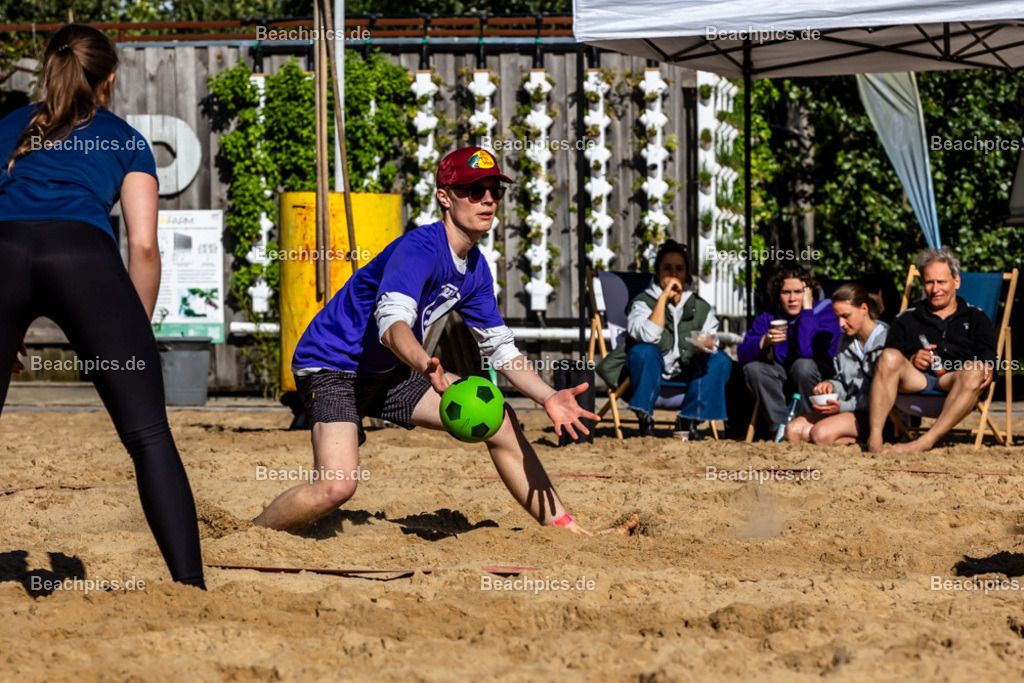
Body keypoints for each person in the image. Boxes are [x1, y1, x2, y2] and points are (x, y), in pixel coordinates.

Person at [254, 146, 635, 537]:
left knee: (500, 419)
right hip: (334, 366)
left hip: (388, 371)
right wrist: (424, 363)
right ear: (444, 197)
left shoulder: (476, 268)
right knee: (336, 486)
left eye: (494, 190)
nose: (487, 198)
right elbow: (392, 326)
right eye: (474, 190)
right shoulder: (418, 249)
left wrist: (548, 397)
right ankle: (249, 536)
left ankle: (568, 531)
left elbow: (501, 349)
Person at [0, 25, 204, 588]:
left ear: (47, 68)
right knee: (147, 435)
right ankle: (190, 587)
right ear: (109, 77)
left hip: (4, 252)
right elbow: (142, 245)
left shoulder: (6, 129)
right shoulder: (124, 137)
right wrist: (129, 333)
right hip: (80, 257)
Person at [595, 240, 731, 439]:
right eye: (667, 269)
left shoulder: (700, 307)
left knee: (720, 359)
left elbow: (709, 340)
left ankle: (688, 420)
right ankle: (645, 417)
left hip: (686, 375)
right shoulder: (642, 302)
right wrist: (663, 299)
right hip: (643, 376)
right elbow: (648, 336)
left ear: (686, 274)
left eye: (679, 269)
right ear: (657, 273)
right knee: (644, 351)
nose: (674, 274)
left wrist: (705, 346)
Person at [867, 248, 996, 453]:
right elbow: (889, 361)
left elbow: (988, 354)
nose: (935, 289)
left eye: (941, 282)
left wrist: (986, 367)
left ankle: (926, 440)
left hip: (954, 379)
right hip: (916, 380)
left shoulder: (975, 317)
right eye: (929, 282)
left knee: (977, 368)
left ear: (956, 282)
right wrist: (911, 359)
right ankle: (874, 439)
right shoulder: (906, 319)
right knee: (889, 356)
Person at [738, 264, 841, 435]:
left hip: (818, 379)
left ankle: (809, 425)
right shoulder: (771, 315)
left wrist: (807, 311)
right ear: (778, 295)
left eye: (798, 292)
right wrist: (763, 342)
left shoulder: (824, 314)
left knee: (803, 366)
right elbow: (742, 353)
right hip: (783, 377)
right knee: (753, 368)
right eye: (786, 292)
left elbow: (807, 351)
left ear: (808, 293)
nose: (792, 298)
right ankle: (780, 429)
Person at [785, 283, 888, 445]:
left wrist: (843, 407)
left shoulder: (886, 342)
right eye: (837, 317)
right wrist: (830, 386)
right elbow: (842, 380)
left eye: (846, 316)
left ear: (864, 309)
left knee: (819, 434)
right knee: (793, 430)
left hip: (877, 415)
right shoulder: (845, 342)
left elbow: (883, 395)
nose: (840, 324)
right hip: (849, 410)